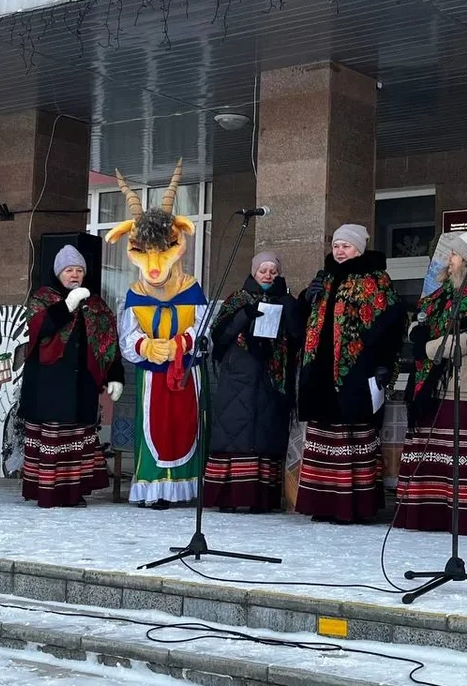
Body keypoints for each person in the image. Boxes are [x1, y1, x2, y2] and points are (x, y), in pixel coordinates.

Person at [107, 161, 207, 508]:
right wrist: (148, 346)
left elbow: (202, 327)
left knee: (185, 426)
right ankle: (154, 489)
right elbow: (127, 337)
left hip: (186, 372)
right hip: (153, 375)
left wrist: (180, 344)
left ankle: (184, 487)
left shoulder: (193, 289)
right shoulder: (135, 293)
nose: (154, 263)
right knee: (155, 430)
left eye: (163, 250)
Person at [396, 230, 467, 535]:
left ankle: (461, 517)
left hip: (465, 383)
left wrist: (428, 347)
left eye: (455, 255)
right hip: (433, 384)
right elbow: (420, 321)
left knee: (457, 453)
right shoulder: (442, 294)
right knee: (431, 452)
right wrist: (416, 333)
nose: (449, 260)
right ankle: (425, 513)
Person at [296, 224, 405, 524]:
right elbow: (302, 324)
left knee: (351, 434)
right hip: (320, 371)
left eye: (346, 246)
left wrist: (383, 362)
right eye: (336, 245)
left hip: (356, 370)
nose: (339, 251)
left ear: (359, 248)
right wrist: (307, 299)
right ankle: (323, 502)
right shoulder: (325, 278)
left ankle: (350, 506)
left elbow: (392, 323)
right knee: (323, 434)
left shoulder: (375, 279)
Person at [19, 245, 124, 509]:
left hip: (82, 386)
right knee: (54, 438)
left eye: (78, 270)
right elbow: (38, 329)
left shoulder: (96, 304)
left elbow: (109, 342)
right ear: (59, 273)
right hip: (49, 385)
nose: (74, 274)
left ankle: (73, 492)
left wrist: (115, 375)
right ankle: (47, 492)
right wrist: (68, 304)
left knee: (77, 440)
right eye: (69, 270)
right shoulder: (42, 298)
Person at [205, 251, 301, 512]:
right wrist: (244, 316)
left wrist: (289, 308)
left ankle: (260, 498)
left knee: (266, 433)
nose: (268, 275)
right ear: (254, 272)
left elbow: (297, 337)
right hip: (239, 377)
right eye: (263, 270)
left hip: (272, 377)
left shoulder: (286, 300)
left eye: (273, 271)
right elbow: (220, 336)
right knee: (235, 431)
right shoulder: (237, 298)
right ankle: (230, 497)